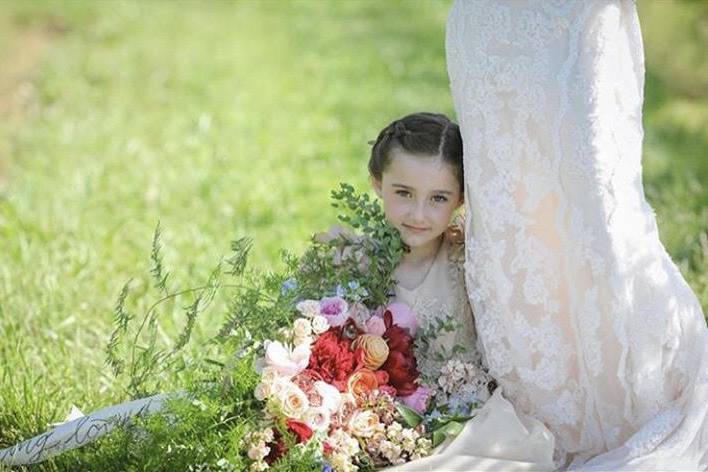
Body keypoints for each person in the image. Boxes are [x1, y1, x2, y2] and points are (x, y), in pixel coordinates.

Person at [447, 1, 708, 469]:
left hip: (577, 15)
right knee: (512, 199)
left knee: (595, 195)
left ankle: (628, 392)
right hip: (492, 22)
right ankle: (543, 407)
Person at [365, 112, 556, 470]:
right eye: (403, 193)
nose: (418, 214)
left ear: (461, 199)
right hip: (379, 426)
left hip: (468, 426)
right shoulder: (352, 260)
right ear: (377, 182)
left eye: (438, 198)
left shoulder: (471, 261)